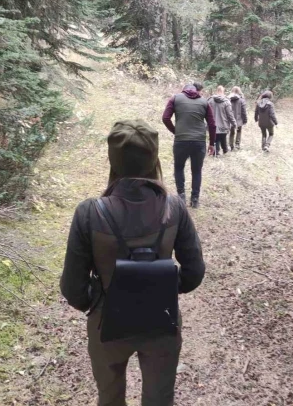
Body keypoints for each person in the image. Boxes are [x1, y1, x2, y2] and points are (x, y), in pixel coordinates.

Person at [60, 120, 205, 406]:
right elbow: (194, 272)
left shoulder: (90, 212)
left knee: (110, 398)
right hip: (162, 321)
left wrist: (99, 299)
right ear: (154, 158)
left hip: (106, 323)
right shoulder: (173, 206)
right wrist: (159, 285)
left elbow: (72, 287)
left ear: (113, 160)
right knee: (159, 399)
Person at [162, 82, 216, 208]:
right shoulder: (204, 102)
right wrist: (212, 143)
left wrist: (176, 131)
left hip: (181, 141)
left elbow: (165, 118)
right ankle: (195, 199)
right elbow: (212, 124)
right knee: (196, 171)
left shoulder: (175, 98)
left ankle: (181, 196)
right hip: (199, 142)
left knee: (179, 168)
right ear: (197, 91)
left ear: (183, 90)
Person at [208, 85, 237, 156]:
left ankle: (216, 152)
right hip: (224, 123)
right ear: (223, 91)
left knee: (215, 137)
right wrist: (234, 123)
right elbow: (230, 114)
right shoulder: (226, 101)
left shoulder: (210, 100)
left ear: (217, 91)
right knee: (223, 136)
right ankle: (224, 150)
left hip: (213, 123)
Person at [228, 86, 248, 151]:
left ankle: (231, 145)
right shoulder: (241, 100)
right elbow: (244, 111)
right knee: (239, 131)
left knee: (231, 132)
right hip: (239, 119)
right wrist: (245, 120)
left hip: (230, 119)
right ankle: (237, 145)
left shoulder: (228, 99)